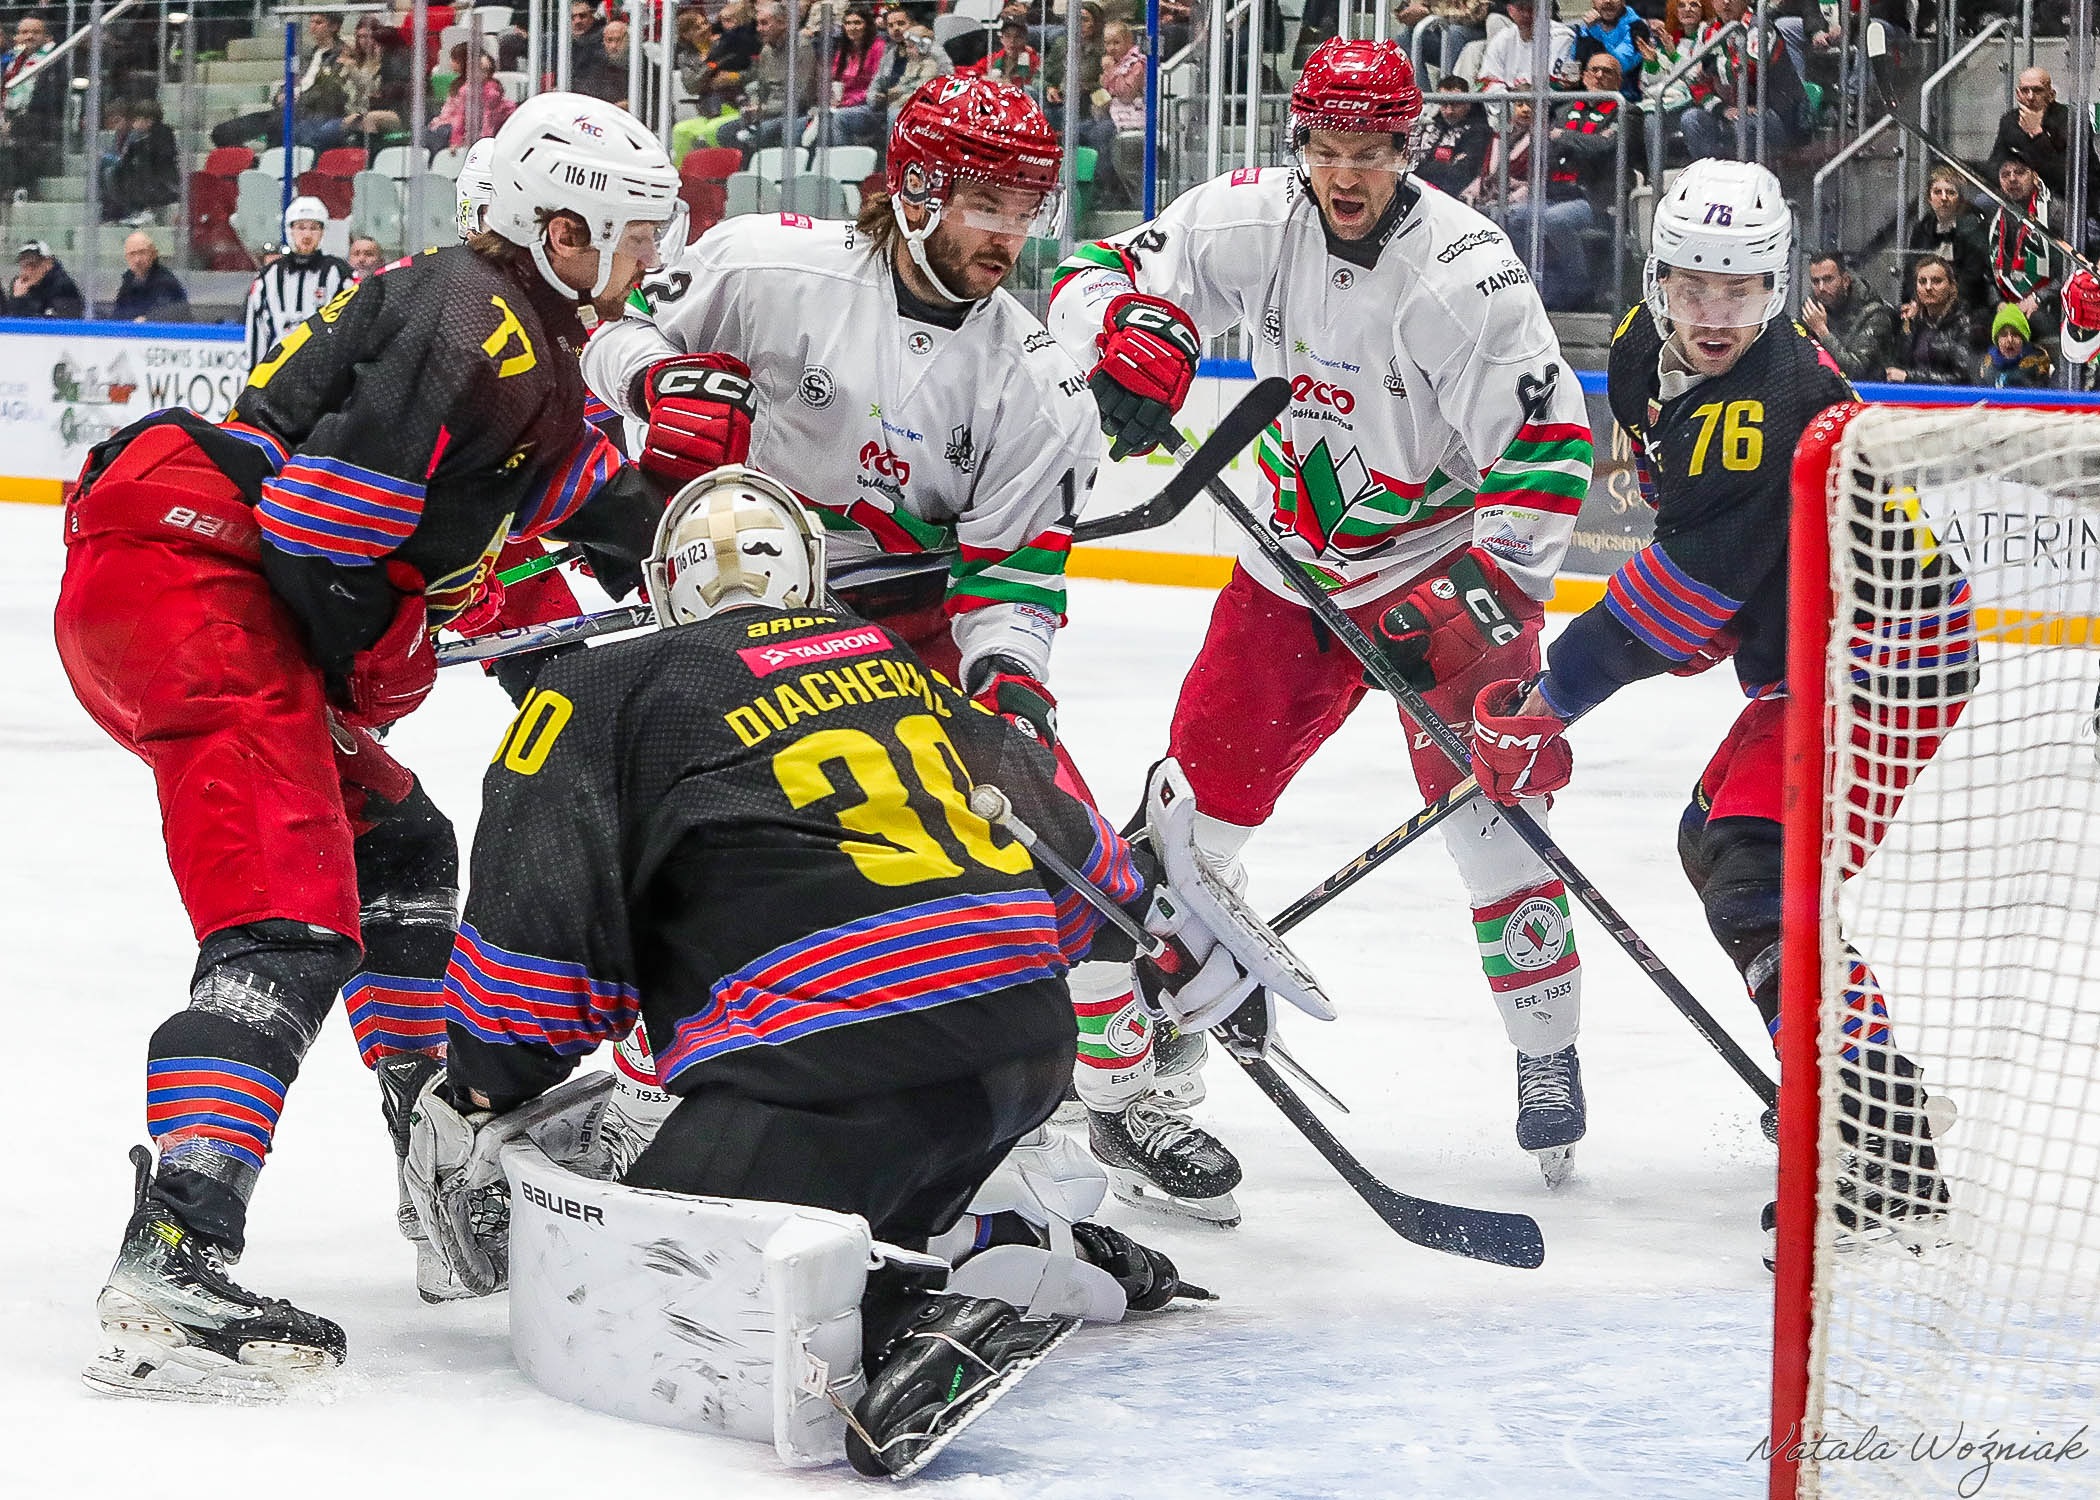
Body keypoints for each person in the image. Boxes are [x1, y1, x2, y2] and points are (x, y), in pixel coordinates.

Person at [384, 465, 1248, 1475]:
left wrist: (484, 1081)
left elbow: (533, 943)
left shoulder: (602, 690)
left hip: (833, 1071)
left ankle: (913, 1325)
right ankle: (1017, 1247)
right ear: (805, 577)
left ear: (663, 589)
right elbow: (1081, 865)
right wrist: (1161, 941)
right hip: (1020, 1049)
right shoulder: (899, 668)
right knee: (854, 1190)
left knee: (663, 1270)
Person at [59, 92, 684, 1401]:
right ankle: (177, 1246)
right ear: (562, 230)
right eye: (631, 235)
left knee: (399, 841)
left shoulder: (518, 346)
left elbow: (568, 536)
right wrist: (381, 646)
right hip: (198, 585)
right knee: (287, 924)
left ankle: (432, 1140)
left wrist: (699, 561)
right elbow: (322, 542)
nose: (648, 261)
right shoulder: (474, 320)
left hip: (196, 578)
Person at [578, 75, 1202, 1211]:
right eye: (985, 206)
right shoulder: (766, 265)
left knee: (1064, 843)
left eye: (1025, 210)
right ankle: (645, 1092)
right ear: (913, 193)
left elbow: (1009, 577)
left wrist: (1011, 689)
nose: (1008, 236)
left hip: (910, 626)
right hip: (742, 609)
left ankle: (1121, 1089)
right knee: (707, 853)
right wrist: (655, 378)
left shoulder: (1035, 380)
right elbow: (608, 331)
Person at [1050, 38, 1597, 1189]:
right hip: (1294, 565)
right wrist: (1122, 343)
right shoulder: (1251, 218)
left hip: (1444, 563)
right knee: (1190, 829)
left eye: (1372, 151)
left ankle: (1547, 1051)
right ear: (1299, 141)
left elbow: (1549, 455)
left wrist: (1474, 600)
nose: (1348, 173)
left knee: (1496, 820)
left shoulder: (1466, 275)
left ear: (1410, 147)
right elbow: (1093, 270)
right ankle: (1158, 1054)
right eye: (1329, 148)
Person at [1468, 158, 1970, 1251]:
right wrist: (1715, 614)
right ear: (1658, 277)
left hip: (1890, 658)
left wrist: (1549, 700)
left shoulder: (1780, 399)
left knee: (1757, 870)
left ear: (1776, 287)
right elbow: (1696, 549)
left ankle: (1878, 1137)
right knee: (1718, 843)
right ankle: (1862, 1082)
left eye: (1738, 292)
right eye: (1692, 285)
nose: (1711, 314)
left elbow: (1681, 591)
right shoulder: (1639, 350)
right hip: (1812, 652)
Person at [1679, 0, 1808, 162]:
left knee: (1745, 123)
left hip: (1775, 113)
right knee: (1691, 119)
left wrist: (1708, 66)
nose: (1726, 2)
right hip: (1729, 112)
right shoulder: (1706, 32)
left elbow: (1748, 67)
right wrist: (1721, 108)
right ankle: (1710, 173)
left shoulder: (1761, 26)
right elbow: (1693, 80)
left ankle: (1750, 176)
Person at [244, 197, 354, 372]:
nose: (307, 235)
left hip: (324, 370)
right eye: (301, 227)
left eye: (314, 228)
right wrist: (254, 375)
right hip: (279, 369)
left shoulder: (341, 274)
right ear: (290, 230)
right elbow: (257, 329)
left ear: (323, 232)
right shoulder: (268, 277)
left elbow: (351, 324)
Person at [1988, 67, 2100, 225]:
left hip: (2074, 203)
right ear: (2018, 94)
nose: (2030, 97)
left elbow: (2066, 176)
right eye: (2025, 90)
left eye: (2037, 90)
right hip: (2025, 196)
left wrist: (2036, 133)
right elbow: (1995, 163)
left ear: (2051, 95)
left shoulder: (2072, 120)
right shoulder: (2010, 121)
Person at [1987, 147, 2068, 348]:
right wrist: (1998, 302)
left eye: (2020, 172)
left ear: (2035, 176)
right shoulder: (1995, 215)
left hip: (2052, 305)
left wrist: (2038, 298)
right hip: (2010, 302)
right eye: (2005, 174)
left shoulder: (2055, 212)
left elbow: (2073, 268)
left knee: (2037, 322)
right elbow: (1986, 271)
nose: (2012, 179)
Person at [1883, 253, 1983, 386]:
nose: (1928, 287)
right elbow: (1897, 363)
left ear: (1952, 286)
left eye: (1936, 281)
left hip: (1950, 398)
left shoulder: (1966, 323)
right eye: (1922, 282)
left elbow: (1963, 379)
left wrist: (1909, 377)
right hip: (1907, 395)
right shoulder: (1912, 322)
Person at [1904, 164, 1991, 311]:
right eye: (1937, 192)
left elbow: (1973, 277)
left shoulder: (1973, 227)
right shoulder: (1922, 228)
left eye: (1950, 192)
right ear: (1929, 198)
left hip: (1964, 306)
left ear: (1960, 199)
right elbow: (1910, 272)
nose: (1944, 198)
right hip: (1924, 303)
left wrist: (1942, 301)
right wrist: (1914, 301)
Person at [1800, 249, 1894, 383]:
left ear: (1845, 280)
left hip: (1866, 392)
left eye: (1828, 279)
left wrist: (1822, 332)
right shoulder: (1814, 310)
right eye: (1816, 281)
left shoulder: (1874, 314)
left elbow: (1856, 372)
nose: (1821, 288)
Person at [717, 3, 789, 158]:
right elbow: (760, 85)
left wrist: (762, 109)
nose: (759, 29)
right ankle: (746, 170)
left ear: (782, 23)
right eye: (758, 24)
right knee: (724, 132)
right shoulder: (766, 51)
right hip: (763, 110)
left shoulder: (800, 48)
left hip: (789, 113)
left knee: (761, 132)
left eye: (764, 23)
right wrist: (754, 106)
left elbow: (800, 98)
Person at [103, 99, 180, 225]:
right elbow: (126, 160)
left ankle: (142, 210)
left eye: (137, 120)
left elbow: (161, 157)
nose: (134, 124)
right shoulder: (139, 139)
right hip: (150, 181)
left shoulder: (162, 134)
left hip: (163, 181)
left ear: (148, 120)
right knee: (115, 172)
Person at [1414, 73, 1492, 199]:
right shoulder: (1428, 124)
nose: (1449, 111)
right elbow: (1409, 163)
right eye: (1444, 104)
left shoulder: (1479, 131)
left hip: (1452, 197)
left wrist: (1424, 167)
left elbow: (1461, 173)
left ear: (1468, 103)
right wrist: (1446, 164)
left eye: (1455, 104)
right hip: (1417, 190)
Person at [427, 42, 512, 150]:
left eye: (486, 70)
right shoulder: (464, 89)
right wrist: (455, 139)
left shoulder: (491, 93)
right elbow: (460, 115)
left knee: (440, 134)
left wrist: (482, 145)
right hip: (455, 125)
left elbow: (488, 121)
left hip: (472, 129)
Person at [1478, 0, 1575, 92]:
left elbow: (1556, 84)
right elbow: (1487, 82)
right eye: (1521, 8)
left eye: (1532, 8)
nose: (1526, 14)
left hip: (1550, 102)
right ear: (1510, 10)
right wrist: (1511, 100)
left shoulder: (1562, 37)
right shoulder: (1502, 38)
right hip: (1508, 101)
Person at [112, 231, 189, 320]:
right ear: (126, 257)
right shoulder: (128, 280)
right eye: (132, 254)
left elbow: (170, 314)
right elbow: (118, 315)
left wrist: (147, 319)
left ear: (153, 254)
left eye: (142, 252)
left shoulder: (165, 281)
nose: (137, 260)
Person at [1978, 300, 2054, 388]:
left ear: (2023, 339)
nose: (2010, 340)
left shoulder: (2038, 364)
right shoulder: (1987, 366)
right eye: (2004, 335)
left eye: (2015, 334)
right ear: (1997, 340)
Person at [1411, 0, 1492, 80]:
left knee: (1454, 32)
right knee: (1409, 34)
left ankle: (1451, 84)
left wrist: (1430, 12)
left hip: (1476, 29)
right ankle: (1419, 86)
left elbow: (1477, 16)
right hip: (1441, 29)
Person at [4, 239, 83, 317]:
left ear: (48, 263)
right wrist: (17, 297)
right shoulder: (20, 285)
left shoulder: (63, 287)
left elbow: (57, 320)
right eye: (24, 265)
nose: (28, 270)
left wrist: (20, 299)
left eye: (33, 264)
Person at [965, 17, 1040, 87]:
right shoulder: (993, 59)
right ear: (1001, 39)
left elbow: (1034, 82)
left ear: (1024, 39)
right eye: (1007, 36)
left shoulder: (1033, 60)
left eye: (1017, 37)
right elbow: (971, 72)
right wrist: (984, 78)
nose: (1012, 41)